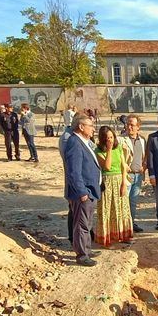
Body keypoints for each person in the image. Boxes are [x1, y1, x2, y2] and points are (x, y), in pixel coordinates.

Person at [64, 114, 101, 266]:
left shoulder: (83, 142)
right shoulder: (75, 143)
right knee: (81, 224)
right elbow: (74, 172)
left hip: (89, 190)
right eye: (90, 126)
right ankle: (82, 256)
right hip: (82, 193)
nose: (93, 129)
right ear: (81, 127)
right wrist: (82, 192)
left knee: (87, 223)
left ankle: (87, 249)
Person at [95, 126, 134, 247]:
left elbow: (123, 166)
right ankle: (107, 236)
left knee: (121, 208)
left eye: (111, 137)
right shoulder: (98, 151)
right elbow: (106, 167)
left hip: (119, 180)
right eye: (107, 138)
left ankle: (123, 235)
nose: (110, 140)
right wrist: (109, 150)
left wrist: (123, 183)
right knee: (107, 209)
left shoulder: (119, 149)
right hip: (106, 182)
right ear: (102, 139)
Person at [121, 114, 146, 233]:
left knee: (133, 201)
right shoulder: (121, 140)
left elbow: (144, 157)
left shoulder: (142, 140)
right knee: (124, 201)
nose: (129, 127)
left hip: (138, 175)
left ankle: (132, 223)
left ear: (138, 127)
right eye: (128, 124)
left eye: (132, 125)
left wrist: (144, 168)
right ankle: (124, 226)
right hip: (127, 176)